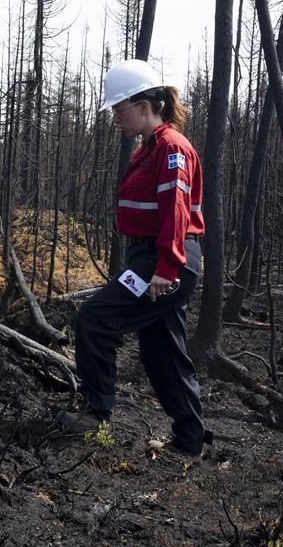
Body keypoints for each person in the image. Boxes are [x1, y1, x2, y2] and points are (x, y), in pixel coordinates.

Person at [55, 59, 211, 456]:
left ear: (143, 106)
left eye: (119, 111)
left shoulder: (171, 148)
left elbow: (175, 208)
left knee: (95, 317)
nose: (115, 119)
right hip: (156, 257)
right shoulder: (151, 147)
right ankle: (190, 441)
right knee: (163, 352)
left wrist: (165, 267)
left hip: (165, 259)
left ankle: (95, 414)